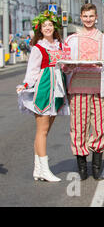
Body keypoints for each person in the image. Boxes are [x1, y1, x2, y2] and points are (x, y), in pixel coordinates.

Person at [63, 3, 104, 181]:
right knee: (78, 127)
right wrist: (70, 65)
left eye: (91, 16)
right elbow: (64, 65)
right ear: (81, 17)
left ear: (96, 18)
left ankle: (96, 168)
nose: (88, 19)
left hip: (99, 87)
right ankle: (82, 168)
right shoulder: (71, 40)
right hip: (78, 87)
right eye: (85, 16)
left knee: (101, 126)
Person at [17, 11, 69, 182]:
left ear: (55, 28)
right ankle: (44, 170)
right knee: (43, 130)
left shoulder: (59, 46)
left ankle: (38, 169)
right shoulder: (38, 48)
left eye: (50, 25)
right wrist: (25, 85)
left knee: (46, 130)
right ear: (40, 29)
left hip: (58, 89)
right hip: (45, 88)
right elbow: (32, 70)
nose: (48, 28)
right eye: (44, 25)